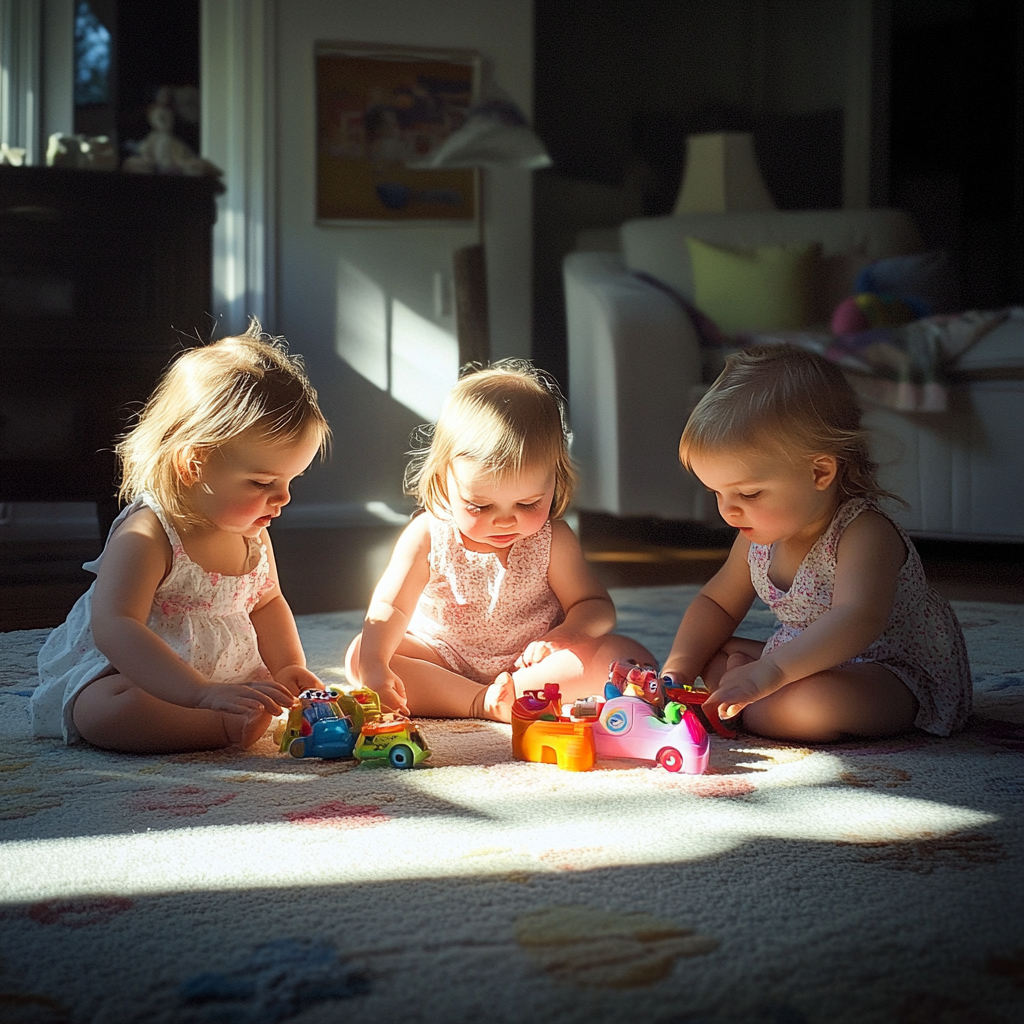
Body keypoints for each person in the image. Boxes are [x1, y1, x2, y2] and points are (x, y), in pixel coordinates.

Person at [31, 322, 331, 753]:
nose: (282, 497)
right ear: (193, 464)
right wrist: (197, 694)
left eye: (290, 481)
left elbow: (268, 602)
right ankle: (216, 725)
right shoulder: (147, 533)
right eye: (262, 482)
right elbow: (116, 626)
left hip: (224, 676)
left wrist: (288, 667)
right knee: (102, 712)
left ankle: (222, 711)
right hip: (139, 671)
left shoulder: (251, 531)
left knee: (259, 693)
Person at [662, 344, 971, 743]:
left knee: (811, 705)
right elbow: (716, 604)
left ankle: (760, 700)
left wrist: (768, 673)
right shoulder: (756, 538)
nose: (729, 512)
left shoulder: (864, 533)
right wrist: (678, 669)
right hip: (802, 660)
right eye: (717, 493)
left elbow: (857, 619)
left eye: (749, 494)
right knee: (712, 653)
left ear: (819, 471)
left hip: (892, 671)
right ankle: (753, 696)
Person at [345, 360, 654, 722]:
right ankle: (479, 702)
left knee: (625, 657)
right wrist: (376, 665)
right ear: (444, 480)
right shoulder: (427, 535)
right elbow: (390, 608)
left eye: (528, 503)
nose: (505, 519)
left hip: (530, 664)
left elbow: (595, 606)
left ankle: (513, 694)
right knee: (360, 657)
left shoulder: (553, 540)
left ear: (555, 480)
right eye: (480, 505)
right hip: (442, 659)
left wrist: (565, 636)